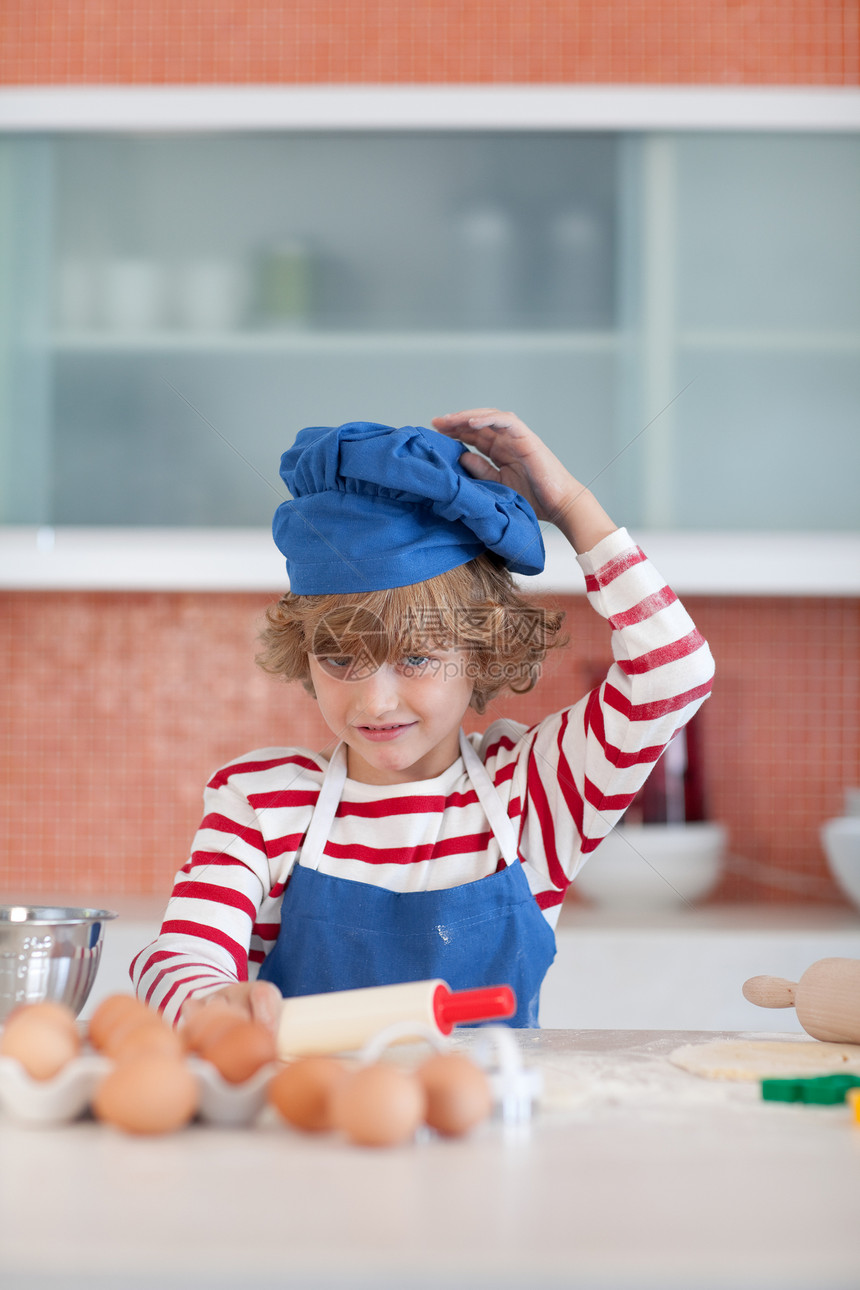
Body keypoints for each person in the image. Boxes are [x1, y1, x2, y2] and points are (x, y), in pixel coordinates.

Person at [131, 408, 714, 1032]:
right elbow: (179, 956)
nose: (376, 703)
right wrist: (210, 1003)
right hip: (310, 1124)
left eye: (414, 656)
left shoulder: (535, 798)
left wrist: (571, 505)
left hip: (488, 1127)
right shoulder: (263, 806)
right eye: (338, 657)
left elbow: (673, 671)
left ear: (482, 647)